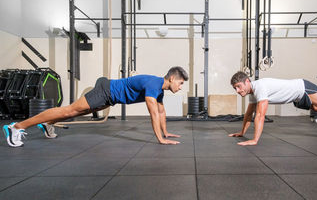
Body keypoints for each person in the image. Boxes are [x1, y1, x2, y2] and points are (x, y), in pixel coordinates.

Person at [3, 66, 188, 147]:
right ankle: (16, 127)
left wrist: (166, 133)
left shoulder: (160, 91)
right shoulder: (153, 84)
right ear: (172, 78)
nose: (180, 87)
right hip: (106, 91)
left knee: (71, 114)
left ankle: (47, 123)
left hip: (110, 98)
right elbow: (153, 113)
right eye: (180, 83)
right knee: (70, 110)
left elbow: (161, 112)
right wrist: (160, 140)